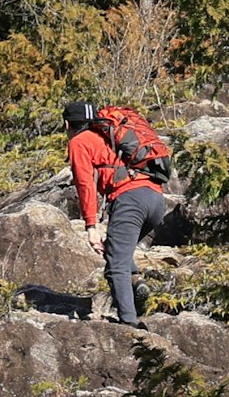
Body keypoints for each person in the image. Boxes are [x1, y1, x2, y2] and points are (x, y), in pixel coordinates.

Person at [63, 95, 175, 327]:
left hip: (130, 200)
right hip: (156, 199)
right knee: (116, 250)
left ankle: (130, 325)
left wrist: (91, 226)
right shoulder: (109, 136)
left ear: (67, 125)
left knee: (115, 266)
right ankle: (135, 282)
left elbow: (85, 185)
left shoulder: (79, 141)